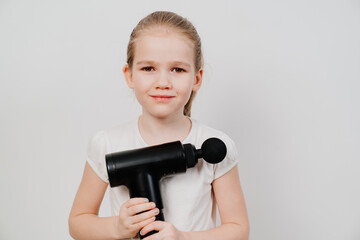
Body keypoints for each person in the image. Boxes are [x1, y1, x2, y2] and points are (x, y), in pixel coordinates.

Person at [69, 11, 249, 240]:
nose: (163, 82)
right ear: (130, 75)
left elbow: (238, 229)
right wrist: (116, 228)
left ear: (197, 78)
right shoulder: (106, 144)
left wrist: (183, 238)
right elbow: (78, 221)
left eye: (178, 69)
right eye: (148, 68)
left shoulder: (216, 147)